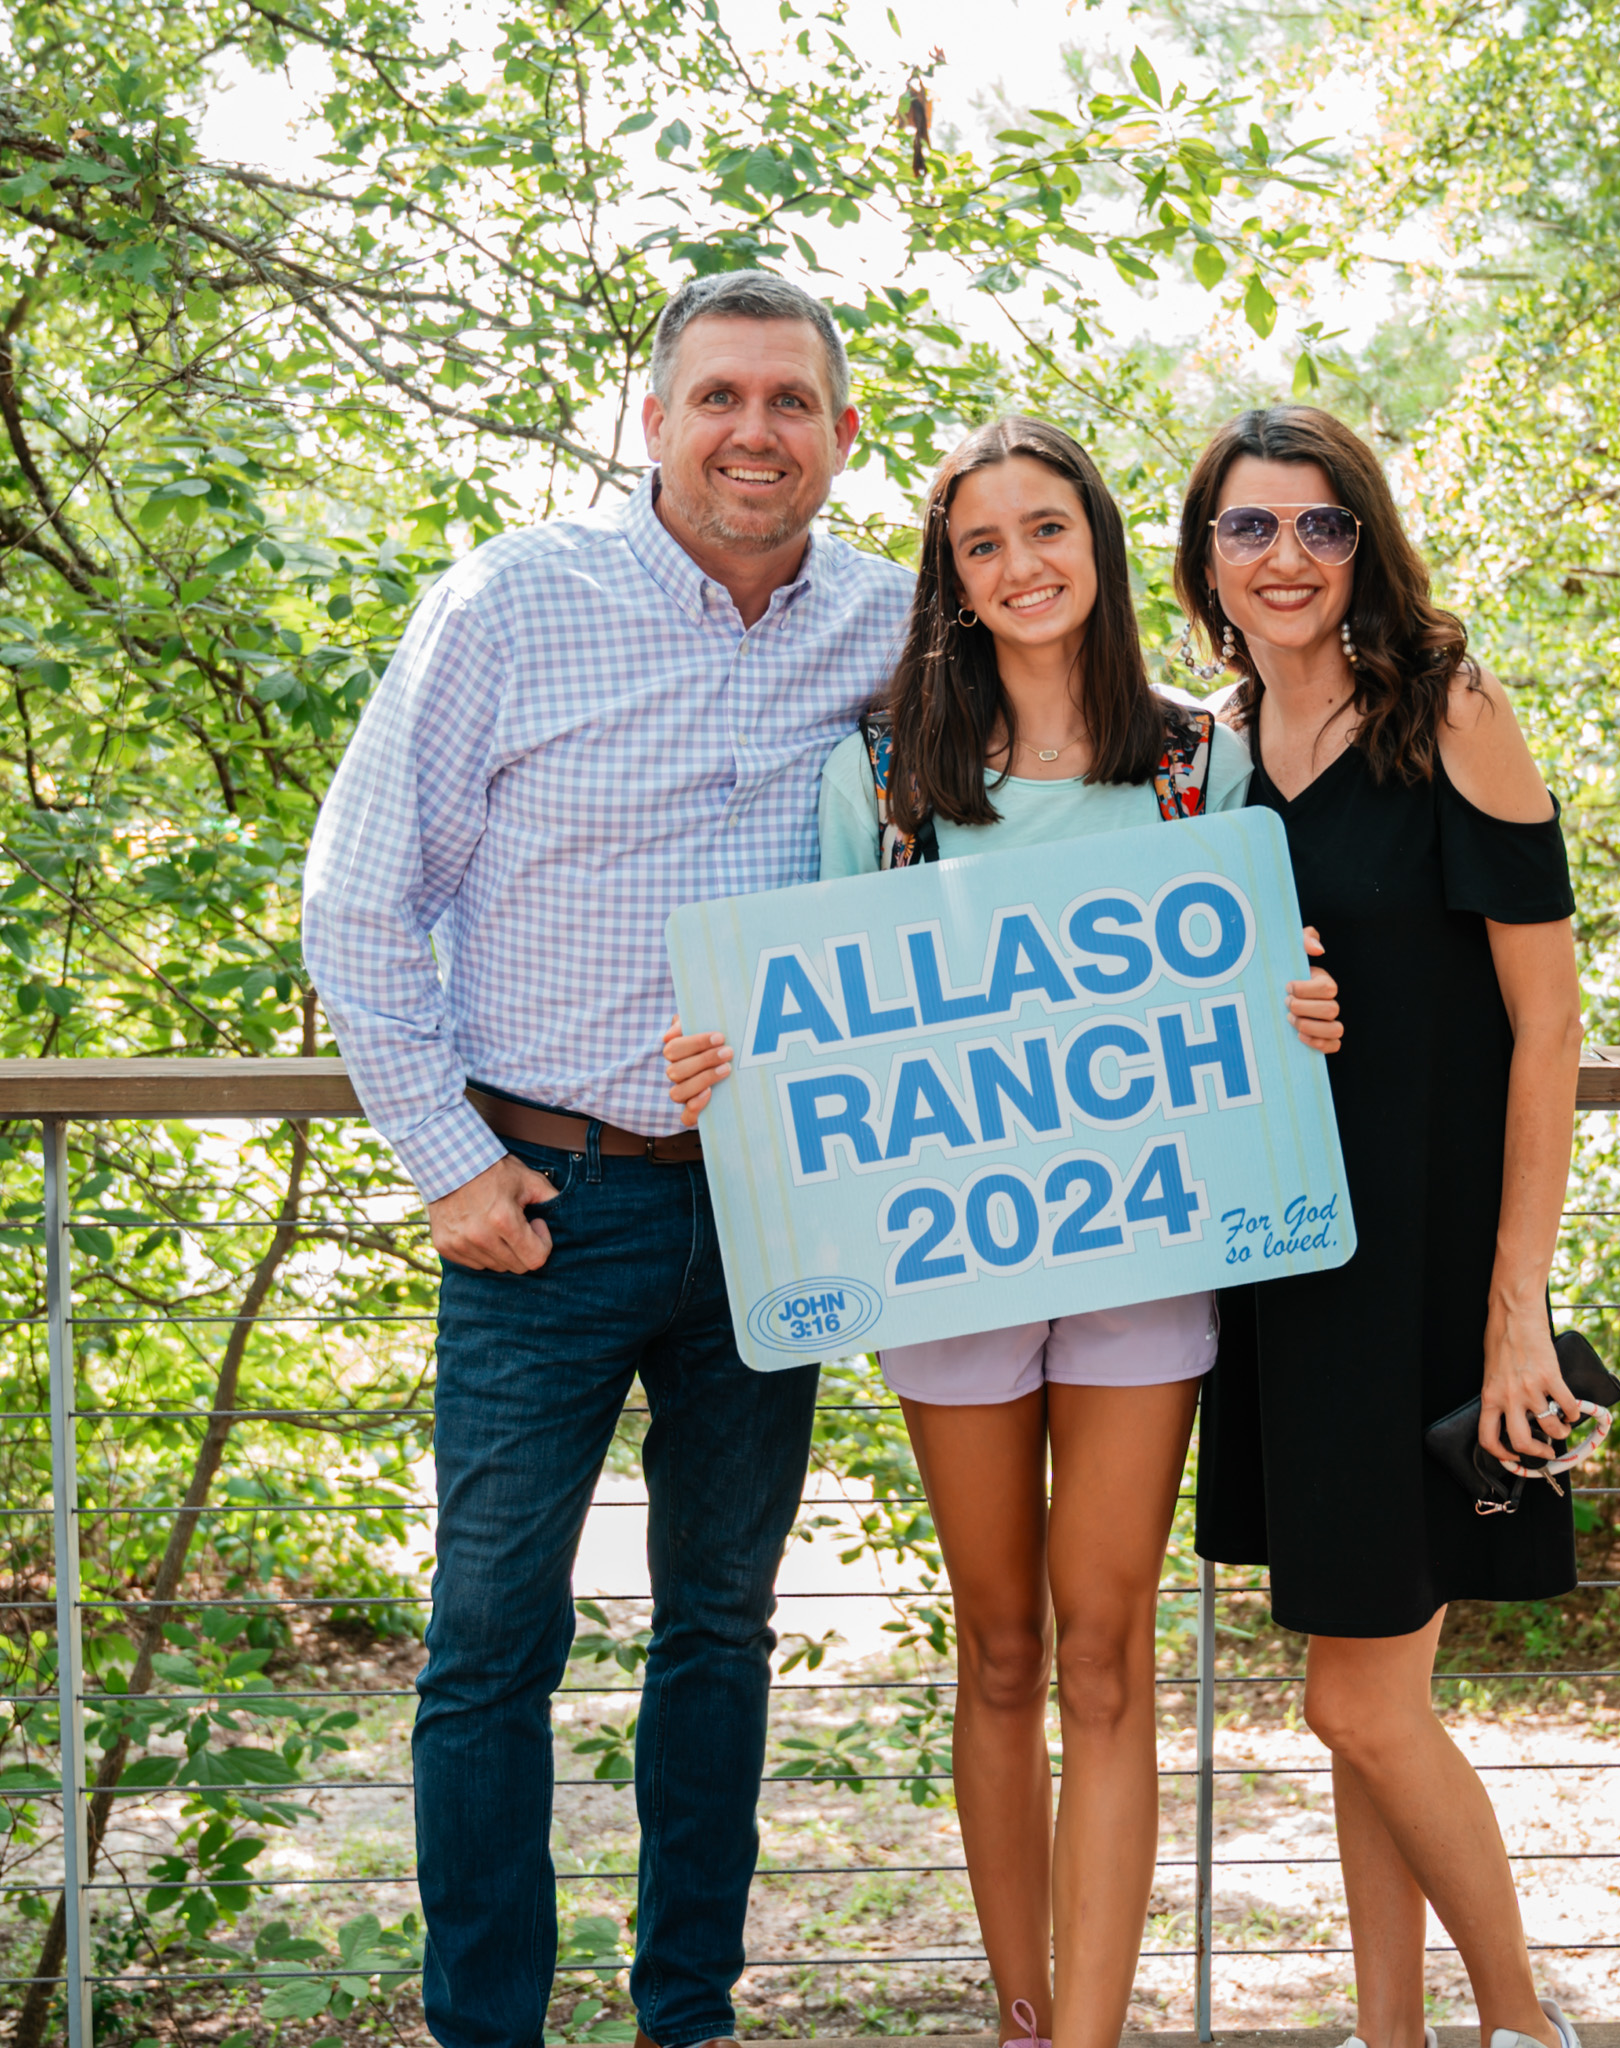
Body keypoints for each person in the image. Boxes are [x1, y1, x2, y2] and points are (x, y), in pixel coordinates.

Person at [661, 415, 1340, 2048]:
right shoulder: (882, 772)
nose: (1021, 564)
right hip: (946, 1270)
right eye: (982, 544)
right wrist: (726, 1060)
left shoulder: (1201, 766)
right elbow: (811, 1030)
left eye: (1049, 530)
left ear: (1099, 548)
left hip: (1146, 1256)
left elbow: (1255, 994)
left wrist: (1299, 1008)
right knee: (1002, 1651)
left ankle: (1089, 2040)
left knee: (1109, 1656)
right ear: (952, 581)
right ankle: (1023, 2015)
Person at [301, 270, 913, 2048]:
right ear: (653, 422)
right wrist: (445, 1163)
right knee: (491, 1640)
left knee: (720, 1628)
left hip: (770, 1206)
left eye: (792, 403)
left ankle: (686, 2021)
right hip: (538, 1207)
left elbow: (1081, 738)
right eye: (719, 397)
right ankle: (487, 2029)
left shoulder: (893, 625)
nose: (754, 432)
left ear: (841, 436)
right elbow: (358, 902)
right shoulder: (508, 602)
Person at [1176, 406, 1588, 2048]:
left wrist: (1517, 1313)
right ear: (1204, 556)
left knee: (1357, 1694)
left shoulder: (1455, 716)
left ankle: (1521, 2028)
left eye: (1321, 526)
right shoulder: (1204, 753)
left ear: (1369, 543)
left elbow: (1547, 1028)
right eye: (1248, 527)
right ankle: (1390, 2034)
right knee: (1367, 1700)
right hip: (1283, 1261)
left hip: (1428, 1267)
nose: (1285, 557)